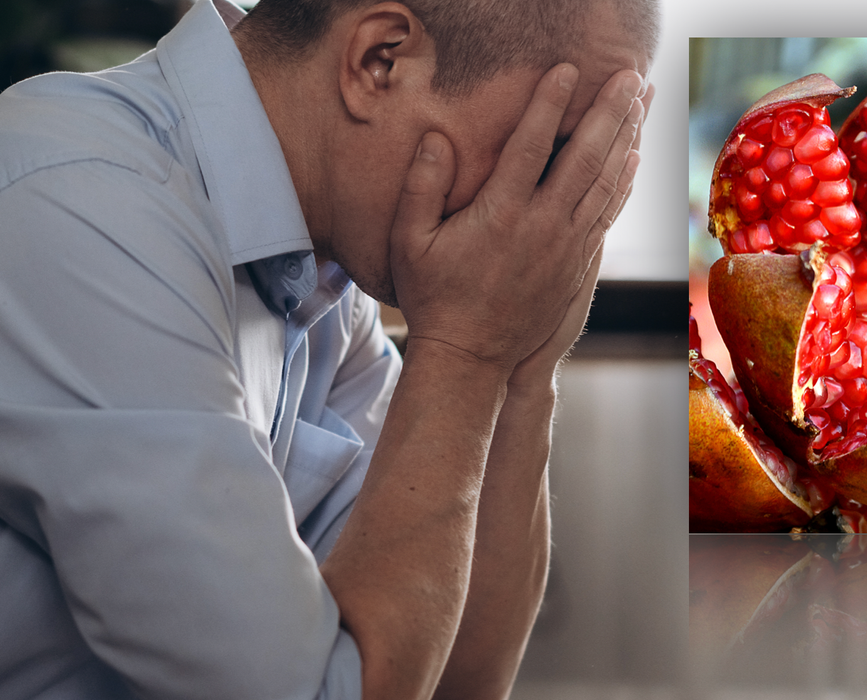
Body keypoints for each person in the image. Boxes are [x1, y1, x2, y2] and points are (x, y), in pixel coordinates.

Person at [0, 0, 658, 697]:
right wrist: (468, 351)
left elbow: (453, 677)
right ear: (380, 60)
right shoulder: (83, 201)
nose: (556, 209)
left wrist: (524, 368)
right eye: (550, 150)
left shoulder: (322, 280)